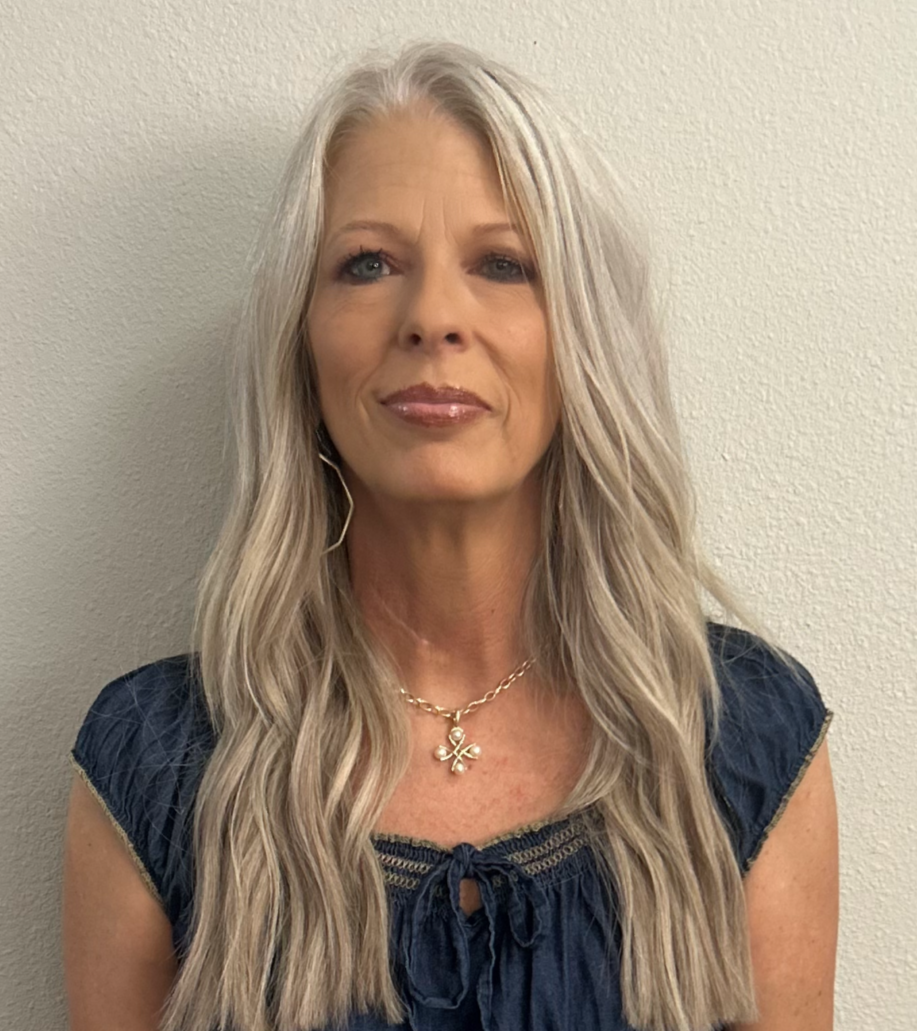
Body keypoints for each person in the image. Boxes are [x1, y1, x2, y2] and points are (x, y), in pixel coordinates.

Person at [61, 39, 838, 1031]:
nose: (432, 315)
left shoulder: (739, 741)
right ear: (299, 345)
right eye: (367, 263)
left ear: (581, 340)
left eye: (501, 264)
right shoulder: (158, 765)